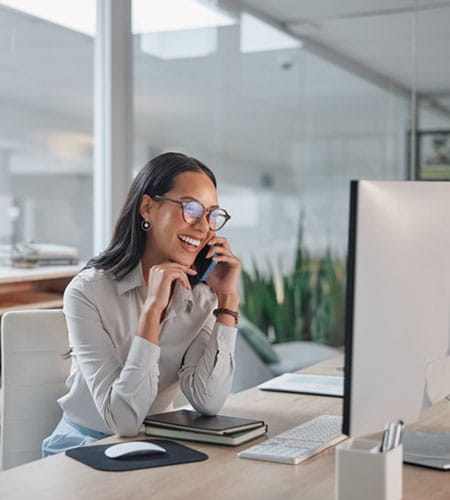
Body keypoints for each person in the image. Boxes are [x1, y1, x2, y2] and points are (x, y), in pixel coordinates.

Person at [42, 152, 241, 456]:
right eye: (191, 209)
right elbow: (123, 421)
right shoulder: (87, 292)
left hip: (157, 443)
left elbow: (208, 401)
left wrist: (227, 300)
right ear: (147, 207)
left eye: (212, 215)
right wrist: (152, 311)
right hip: (83, 446)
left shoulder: (203, 299)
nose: (204, 228)